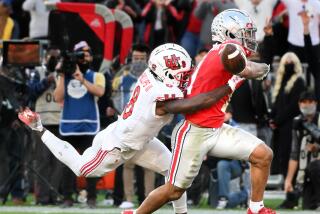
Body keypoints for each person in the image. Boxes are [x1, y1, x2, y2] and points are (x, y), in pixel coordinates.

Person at [18, 43, 245, 214]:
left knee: (177, 175)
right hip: (118, 145)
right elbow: (193, 103)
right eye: (181, 73)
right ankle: (39, 129)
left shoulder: (152, 75)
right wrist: (229, 84)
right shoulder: (161, 93)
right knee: (81, 168)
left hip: (142, 139)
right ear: (166, 72)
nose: (185, 76)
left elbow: (193, 86)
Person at [130, 9, 275, 214]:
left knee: (263, 155)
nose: (249, 37)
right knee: (174, 191)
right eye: (246, 32)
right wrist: (260, 70)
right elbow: (250, 70)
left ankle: (255, 208)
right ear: (230, 33)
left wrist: (262, 67)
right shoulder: (228, 49)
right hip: (194, 131)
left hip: (215, 127)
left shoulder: (225, 51)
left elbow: (251, 68)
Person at [53, 41, 105, 208]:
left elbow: (100, 92)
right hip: (68, 126)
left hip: (89, 125)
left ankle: (91, 198)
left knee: (91, 163)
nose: (85, 57)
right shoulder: (63, 76)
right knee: (67, 164)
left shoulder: (97, 75)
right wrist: (61, 74)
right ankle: (68, 197)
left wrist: (82, 79)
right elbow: (57, 98)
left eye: (87, 54)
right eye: (81, 54)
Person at [283, 91, 320, 210]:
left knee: (315, 166)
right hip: (308, 171)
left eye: (310, 102)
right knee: (307, 207)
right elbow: (294, 153)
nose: (307, 105)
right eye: (304, 102)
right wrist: (288, 180)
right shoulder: (297, 122)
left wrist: (317, 147)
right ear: (299, 104)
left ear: (316, 103)